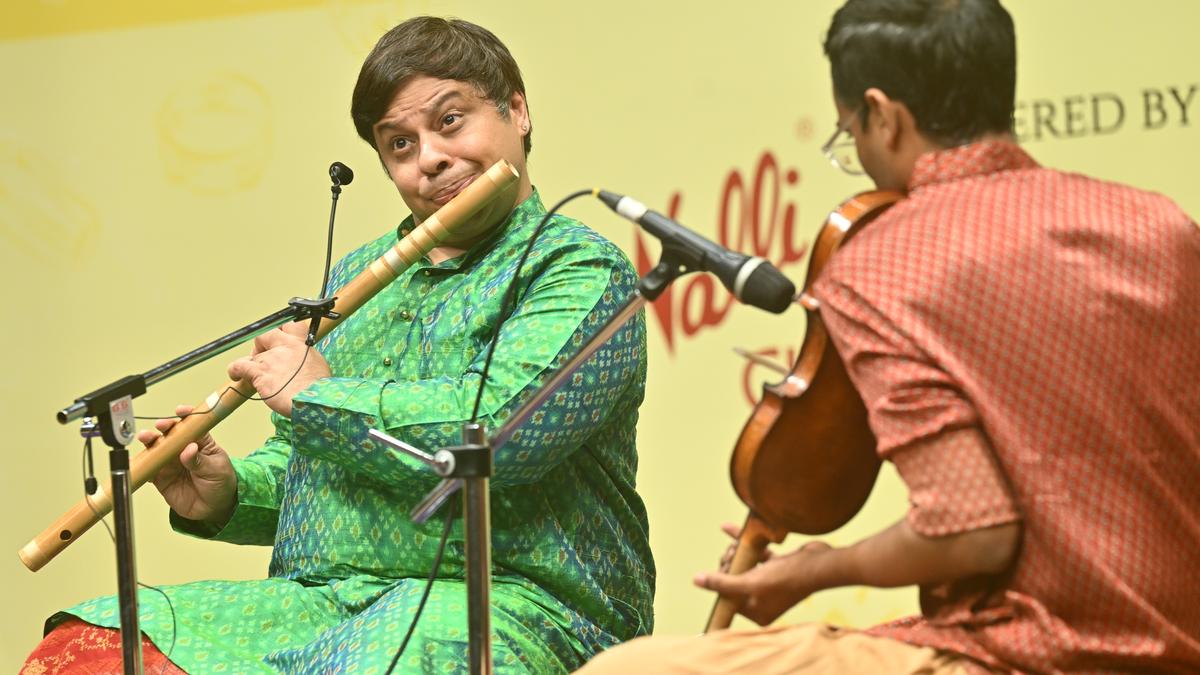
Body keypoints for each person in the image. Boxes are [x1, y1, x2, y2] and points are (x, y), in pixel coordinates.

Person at [578, 0, 1200, 673]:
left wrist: (815, 570)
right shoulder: (1162, 224)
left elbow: (974, 533)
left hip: (1032, 653)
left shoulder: (884, 260)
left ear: (883, 115)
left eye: (850, 132)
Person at [24, 17, 654, 674]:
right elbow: (318, 464)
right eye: (400, 144)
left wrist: (320, 395)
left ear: (516, 111)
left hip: (516, 604)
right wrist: (230, 493)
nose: (430, 158)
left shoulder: (578, 269)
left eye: (450, 121)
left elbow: (499, 433)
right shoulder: (357, 276)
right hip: (325, 604)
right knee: (89, 649)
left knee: (396, 655)